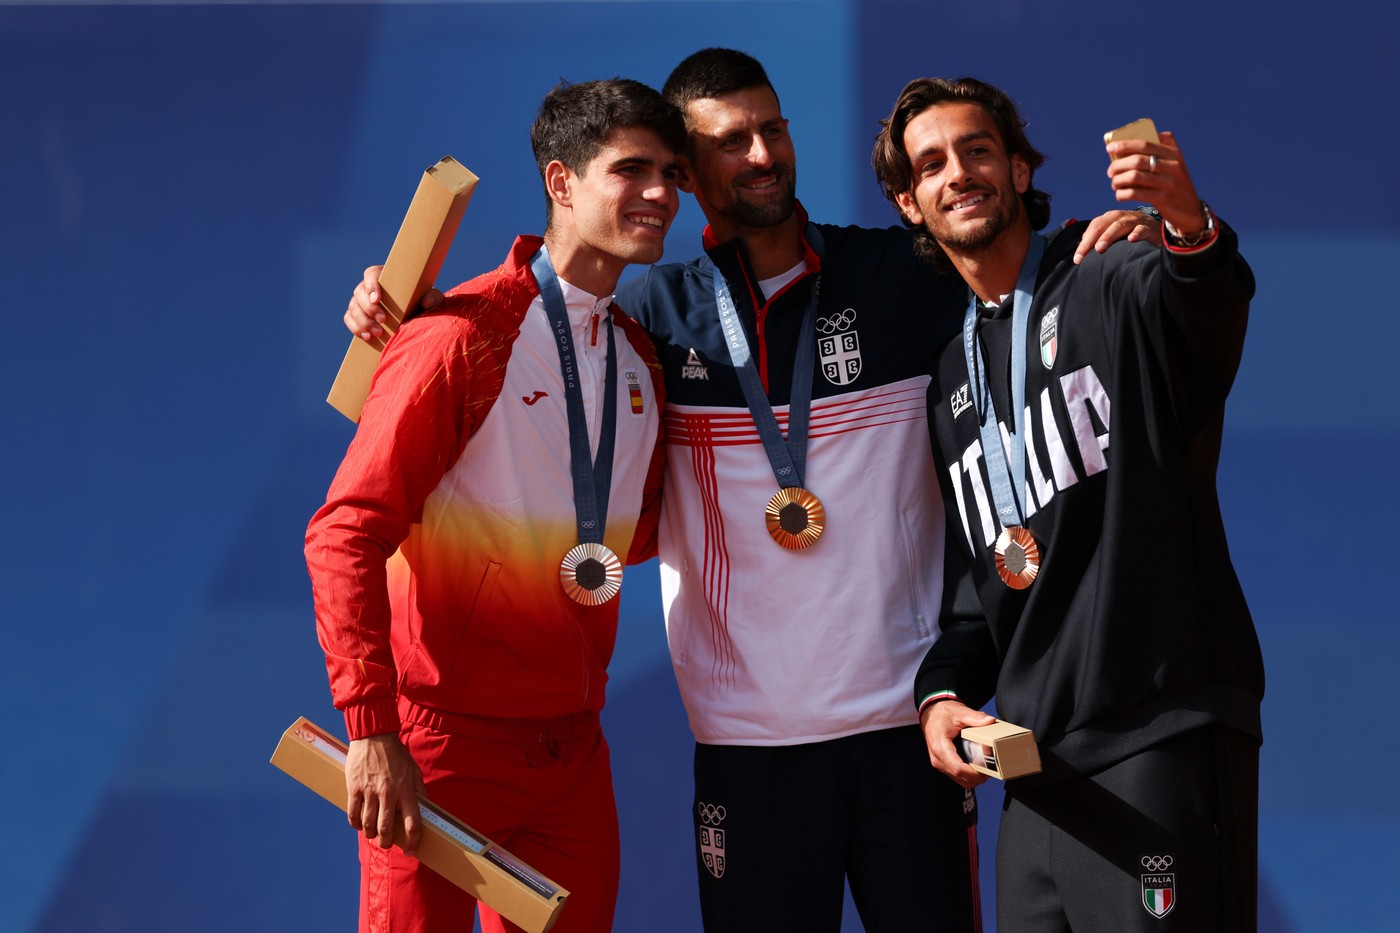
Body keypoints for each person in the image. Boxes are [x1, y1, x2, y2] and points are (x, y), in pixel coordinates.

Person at [344, 50, 1154, 932]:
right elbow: (551, 351)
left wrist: (1104, 245)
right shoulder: (647, 322)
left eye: (773, 130)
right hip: (744, 744)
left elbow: (996, 255)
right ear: (691, 174)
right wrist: (405, 315)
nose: (762, 154)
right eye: (731, 141)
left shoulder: (901, 278)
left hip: (906, 728)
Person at [871, 76, 1262, 932]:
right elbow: (979, 598)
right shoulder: (949, 383)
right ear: (910, 204)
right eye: (931, 164)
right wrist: (941, 696)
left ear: (1017, 167)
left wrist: (1189, 230)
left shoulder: (1108, 269)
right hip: (1036, 776)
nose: (958, 173)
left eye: (978, 150)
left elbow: (1207, 312)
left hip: (1158, 736)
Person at [304, 77, 684, 933]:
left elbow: (639, 530)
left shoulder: (639, 362)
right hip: (438, 752)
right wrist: (370, 728)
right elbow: (343, 533)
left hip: (574, 756)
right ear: (561, 182)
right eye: (632, 170)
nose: (661, 193)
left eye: (669, 173)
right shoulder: (457, 338)